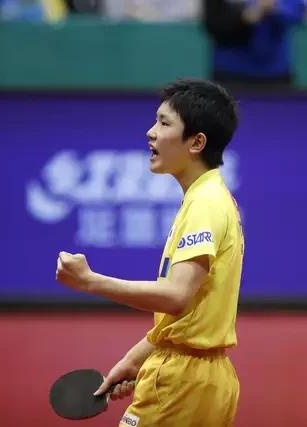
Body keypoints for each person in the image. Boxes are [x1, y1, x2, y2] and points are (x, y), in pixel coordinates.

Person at [56, 79, 245, 427]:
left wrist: (89, 281)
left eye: (164, 123)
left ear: (196, 142)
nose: (151, 132)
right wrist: (136, 358)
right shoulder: (212, 196)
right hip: (206, 379)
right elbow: (189, 312)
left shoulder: (204, 204)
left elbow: (176, 296)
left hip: (180, 384)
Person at [203, 0, 307, 88]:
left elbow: (297, 13)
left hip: (275, 72)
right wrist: (245, 17)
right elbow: (213, 22)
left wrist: (274, 8)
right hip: (230, 72)